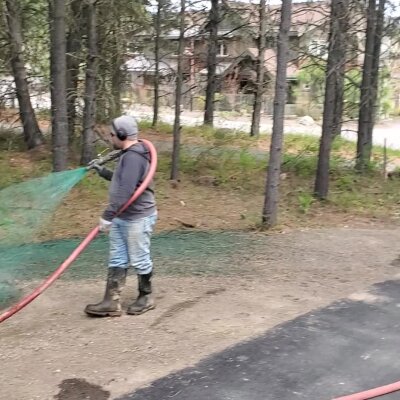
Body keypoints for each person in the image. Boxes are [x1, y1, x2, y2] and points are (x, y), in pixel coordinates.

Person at [85, 115, 157, 317]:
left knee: (139, 259)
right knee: (117, 258)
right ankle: (111, 301)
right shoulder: (128, 154)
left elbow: (126, 192)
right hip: (122, 215)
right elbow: (123, 181)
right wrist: (103, 171)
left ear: (122, 135)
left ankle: (146, 297)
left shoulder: (134, 157)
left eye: (112, 134)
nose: (110, 137)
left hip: (137, 217)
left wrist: (107, 216)